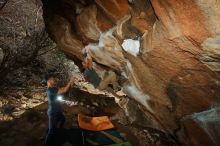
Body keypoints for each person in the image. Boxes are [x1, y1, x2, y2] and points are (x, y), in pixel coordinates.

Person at [43, 74, 74, 145]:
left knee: (63, 119)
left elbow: (64, 89)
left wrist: (69, 83)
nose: (54, 80)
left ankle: (59, 131)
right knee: (51, 131)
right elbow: (64, 90)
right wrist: (70, 82)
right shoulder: (50, 90)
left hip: (57, 110)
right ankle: (46, 144)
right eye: (52, 79)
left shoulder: (53, 88)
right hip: (53, 112)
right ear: (49, 81)